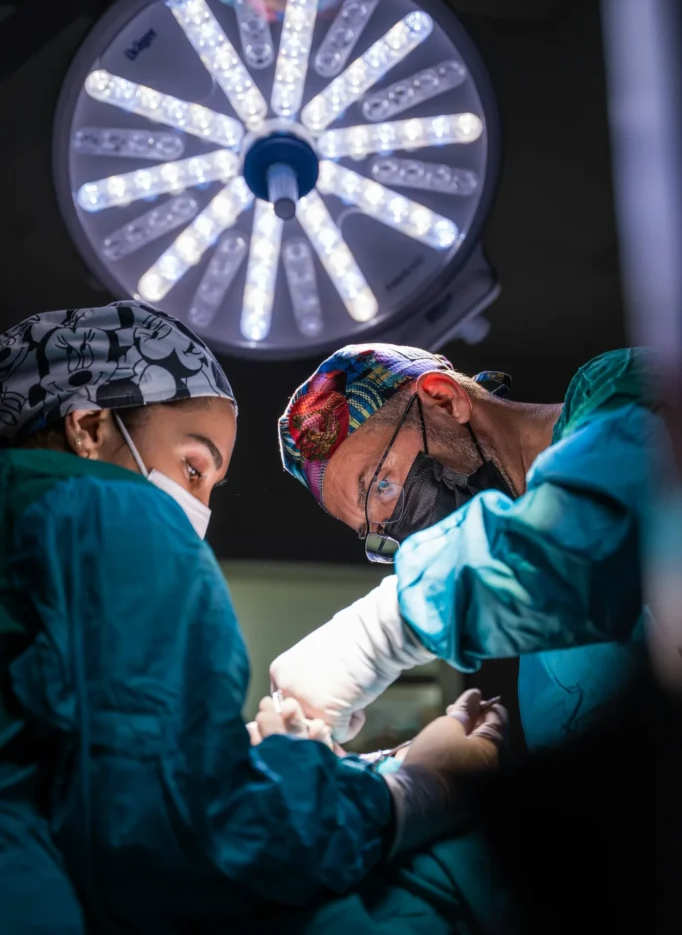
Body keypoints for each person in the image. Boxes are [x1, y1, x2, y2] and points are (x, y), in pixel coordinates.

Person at [0, 302, 506, 934]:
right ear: (91, 427)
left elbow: (90, 791)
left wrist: (248, 765)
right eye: (193, 467)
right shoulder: (108, 516)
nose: (197, 513)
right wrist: (418, 787)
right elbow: (197, 843)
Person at [273, 343, 660, 750]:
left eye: (382, 485)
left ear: (443, 400)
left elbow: (599, 527)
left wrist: (380, 630)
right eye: (378, 534)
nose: (400, 534)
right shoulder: (537, 635)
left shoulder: (622, 392)